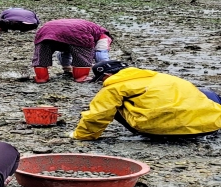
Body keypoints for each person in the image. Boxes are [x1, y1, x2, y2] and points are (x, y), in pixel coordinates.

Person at [69, 60, 221, 140]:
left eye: (100, 79)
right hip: (209, 126)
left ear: (107, 76)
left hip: (163, 132)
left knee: (112, 106)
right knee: (204, 93)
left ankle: (147, 132)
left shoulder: (113, 87)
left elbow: (99, 114)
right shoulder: (162, 77)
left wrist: (81, 136)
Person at [31, 18, 112, 83]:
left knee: (42, 54)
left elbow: (64, 54)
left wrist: (67, 69)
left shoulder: (91, 27)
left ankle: (41, 78)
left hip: (45, 31)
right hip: (76, 32)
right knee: (82, 54)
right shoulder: (104, 35)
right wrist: (108, 70)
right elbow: (101, 53)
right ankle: (81, 77)